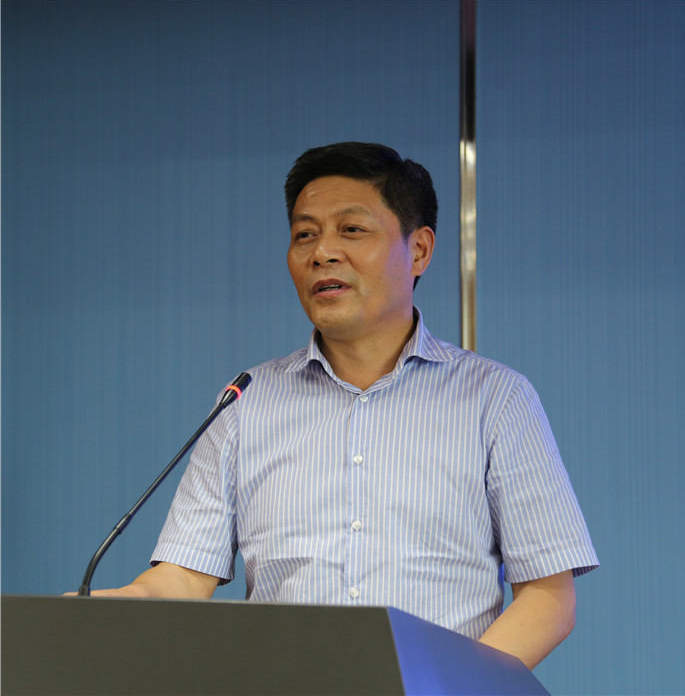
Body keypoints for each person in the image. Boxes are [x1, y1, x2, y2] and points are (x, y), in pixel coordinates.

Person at [84, 142, 598, 669]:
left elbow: (548, 599)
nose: (322, 252)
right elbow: (184, 578)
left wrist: (450, 688)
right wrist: (115, 606)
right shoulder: (244, 402)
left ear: (419, 250)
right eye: (305, 234)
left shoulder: (496, 398)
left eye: (351, 229)